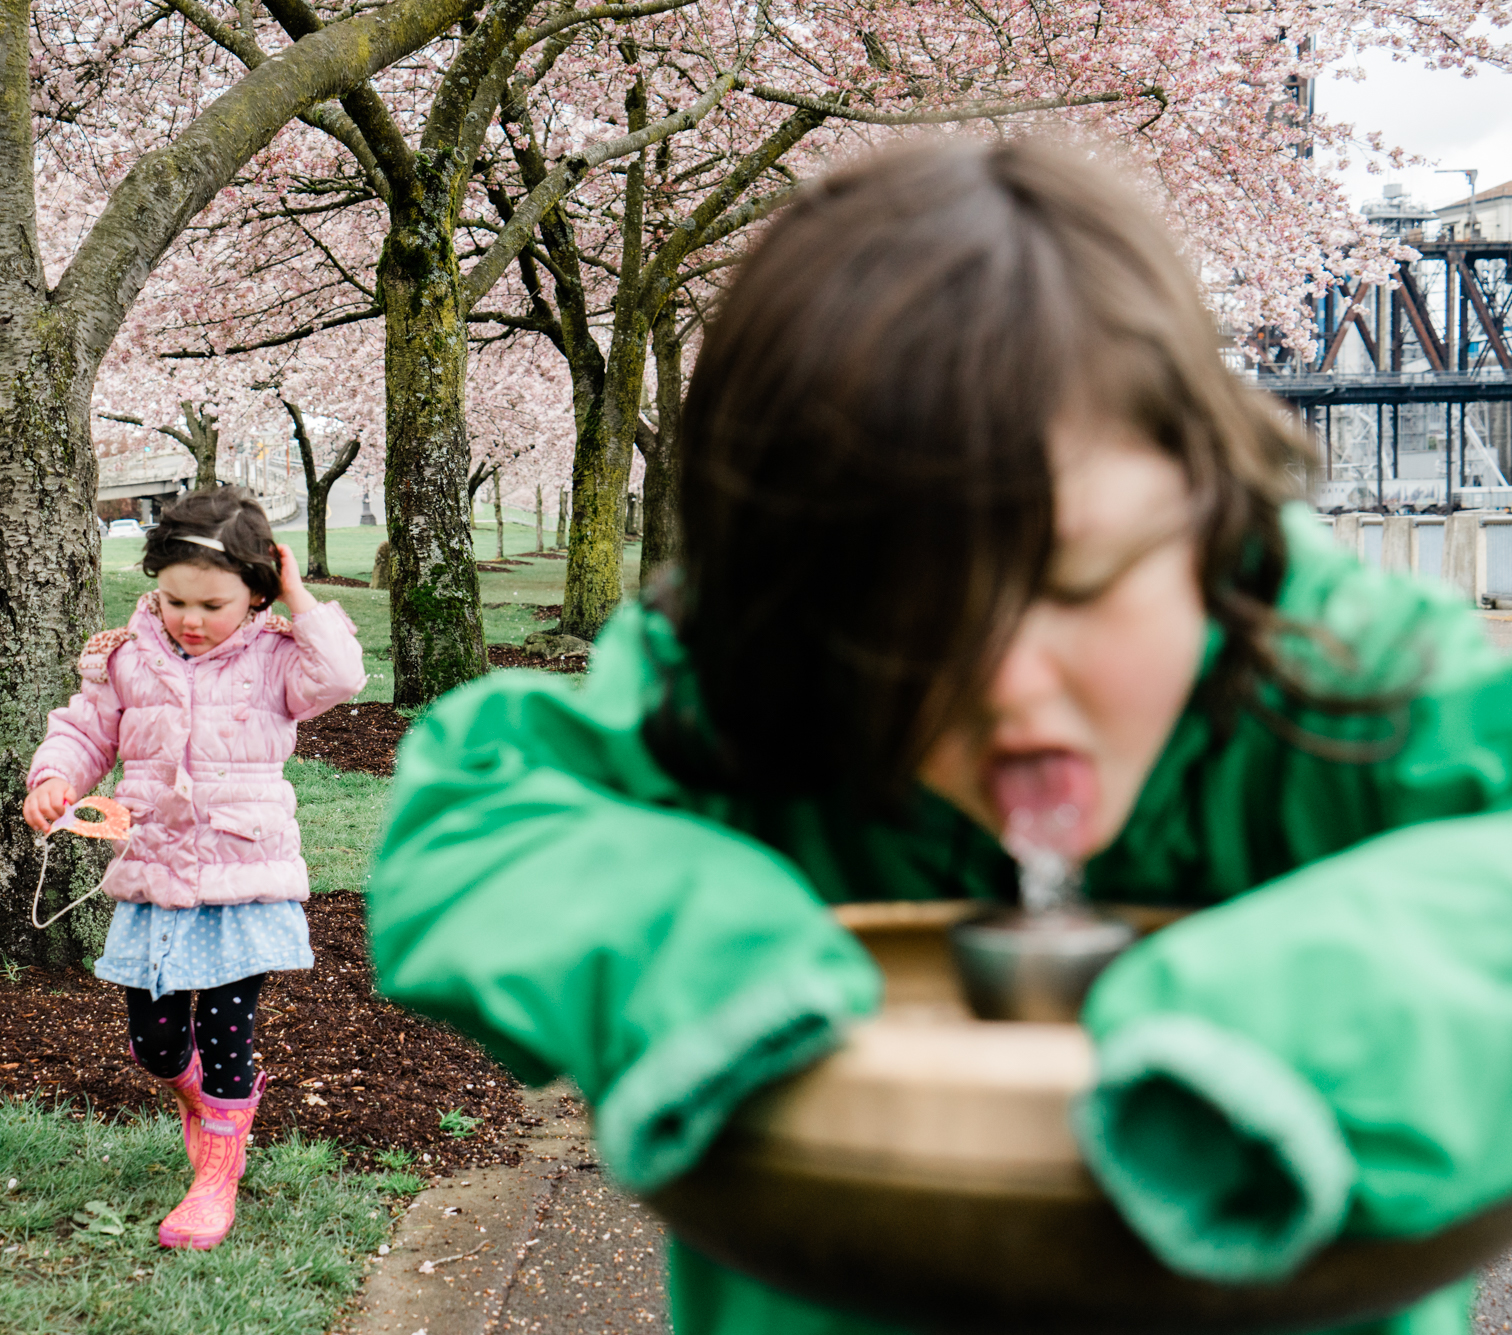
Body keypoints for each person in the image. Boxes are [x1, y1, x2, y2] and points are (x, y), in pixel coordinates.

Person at [364, 140, 1512, 1335]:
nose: (1010, 689)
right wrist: (705, 970)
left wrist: (1285, 1025)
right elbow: (480, 817)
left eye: (1080, 584)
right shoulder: (747, 697)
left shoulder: (1333, 680)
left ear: (1206, 513)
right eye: (907, 617)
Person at [24, 488, 365, 1251]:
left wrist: (300, 594)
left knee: (227, 1025)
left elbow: (342, 675)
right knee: (154, 1042)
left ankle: (219, 1162)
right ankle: (205, 1099)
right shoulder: (125, 657)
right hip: (155, 873)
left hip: (244, 875)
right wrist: (56, 779)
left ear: (256, 590)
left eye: (213, 603)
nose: (191, 618)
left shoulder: (281, 658)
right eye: (175, 599)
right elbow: (85, 732)